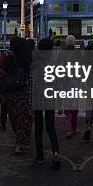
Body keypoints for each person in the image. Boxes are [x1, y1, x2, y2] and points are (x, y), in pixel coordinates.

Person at [0, 37, 33, 154]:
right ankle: (22, 142)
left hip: (10, 92)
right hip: (23, 91)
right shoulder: (27, 58)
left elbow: (2, 75)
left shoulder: (7, 58)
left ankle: (19, 142)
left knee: (14, 117)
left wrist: (2, 93)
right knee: (24, 117)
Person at [32, 38, 61, 169]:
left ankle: (40, 156)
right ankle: (56, 153)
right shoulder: (53, 65)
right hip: (50, 98)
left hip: (37, 98)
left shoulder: (35, 65)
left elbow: (31, 85)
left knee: (38, 129)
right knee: (51, 128)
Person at [63, 35, 79, 138]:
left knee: (67, 104)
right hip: (75, 80)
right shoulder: (77, 53)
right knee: (75, 104)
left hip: (65, 80)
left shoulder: (62, 53)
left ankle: (69, 129)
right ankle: (73, 127)